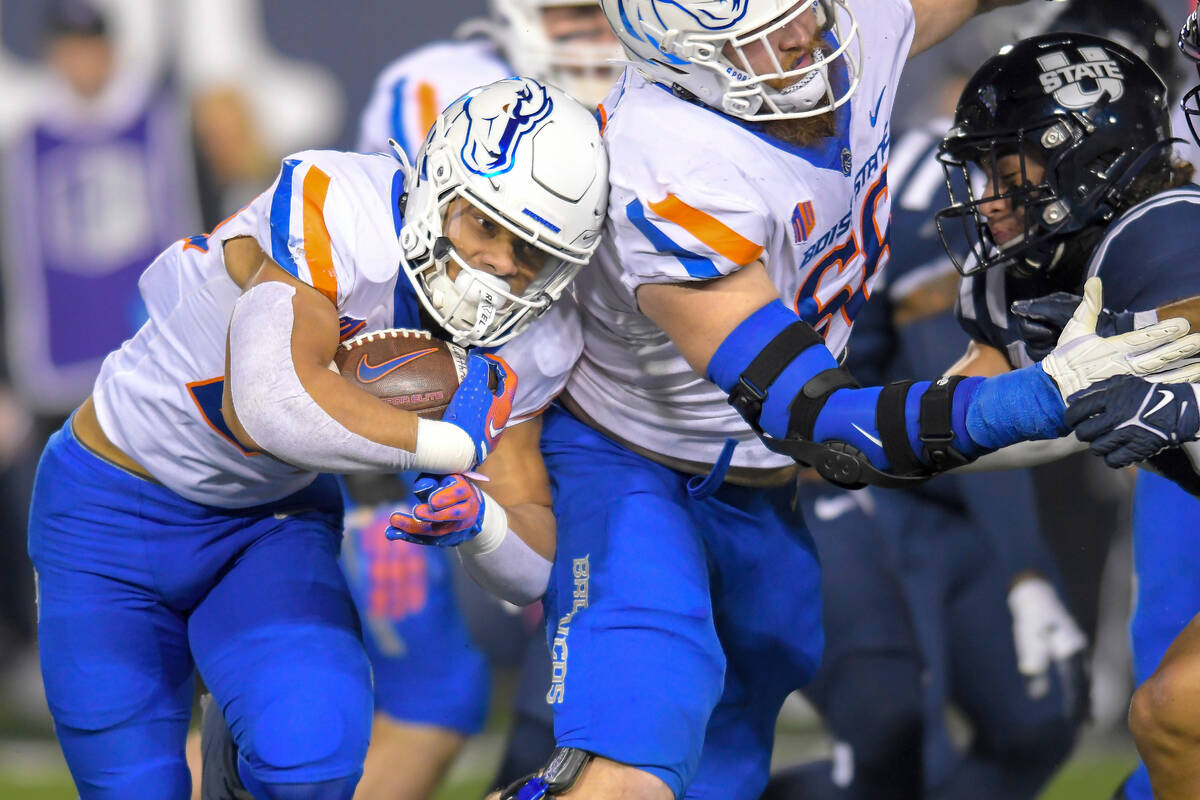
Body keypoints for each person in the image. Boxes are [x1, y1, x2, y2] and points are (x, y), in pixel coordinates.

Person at [475, 2, 1200, 799]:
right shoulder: (671, 166)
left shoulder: (849, 32)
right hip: (643, 474)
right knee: (630, 767)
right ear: (682, 51)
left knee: (726, 765)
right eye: (757, 31)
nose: (800, 36)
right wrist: (1051, 393)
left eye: (802, 5)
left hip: (759, 489)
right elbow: (821, 421)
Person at [27, 76, 609, 800]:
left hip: (267, 525)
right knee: (134, 786)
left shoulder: (534, 329)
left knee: (314, 749)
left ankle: (240, 767)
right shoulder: (343, 206)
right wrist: (451, 447)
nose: (498, 267)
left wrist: (482, 522)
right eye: (485, 226)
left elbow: (531, 563)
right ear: (437, 186)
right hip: (108, 510)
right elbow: (268, 402)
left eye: (533, 252)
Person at [923, 22, 1200, 800]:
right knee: (1172, 718)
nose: (986, 199)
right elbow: (968, 408)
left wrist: (1174, 369)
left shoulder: (1163, 234)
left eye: (1002, 171)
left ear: (1086, 157)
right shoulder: (1048, 265)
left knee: (1176, 711)